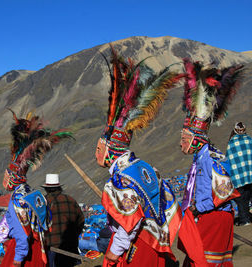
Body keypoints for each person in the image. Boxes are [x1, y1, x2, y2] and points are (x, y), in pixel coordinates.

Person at [95, 46, 182, 266]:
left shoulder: (119, 179)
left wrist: (114, 252)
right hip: (155, 244)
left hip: (137, 249)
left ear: (110, 149)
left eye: (100, 147)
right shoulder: (144, 167)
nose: (97, 151)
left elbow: (129, 223)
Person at [178, 58, 243, 266]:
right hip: (211, 215)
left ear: (196, 138)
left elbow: (223, 190)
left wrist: (198, 209)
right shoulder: (202, 157)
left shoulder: (210, 159)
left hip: (213, 217)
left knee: (203, 261)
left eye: (185, 138)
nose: (181, 143)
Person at [0, 110, 72, 267]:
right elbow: (46, 222)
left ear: (13, 177)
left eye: (8, 174)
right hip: (38, 249)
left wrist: (17, 259)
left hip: (24, 253)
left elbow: (22, 235)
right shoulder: (33, 194)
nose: (6, 177)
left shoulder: (18, 199)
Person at [42, 173, 84, 267]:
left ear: (46, 189)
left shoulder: (42, 202)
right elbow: (81, 221)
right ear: (59, 187)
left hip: (50, 248)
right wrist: (73, 235)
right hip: (70, 246)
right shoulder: (70, 200)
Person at [226, 122, 252, 226]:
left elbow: (229, 161)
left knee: (241, 199)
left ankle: (245, 220)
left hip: (238, 177)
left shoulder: (231, 143)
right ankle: (247, 217)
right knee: (249, 196)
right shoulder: (249, 140)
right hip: (250, 175)